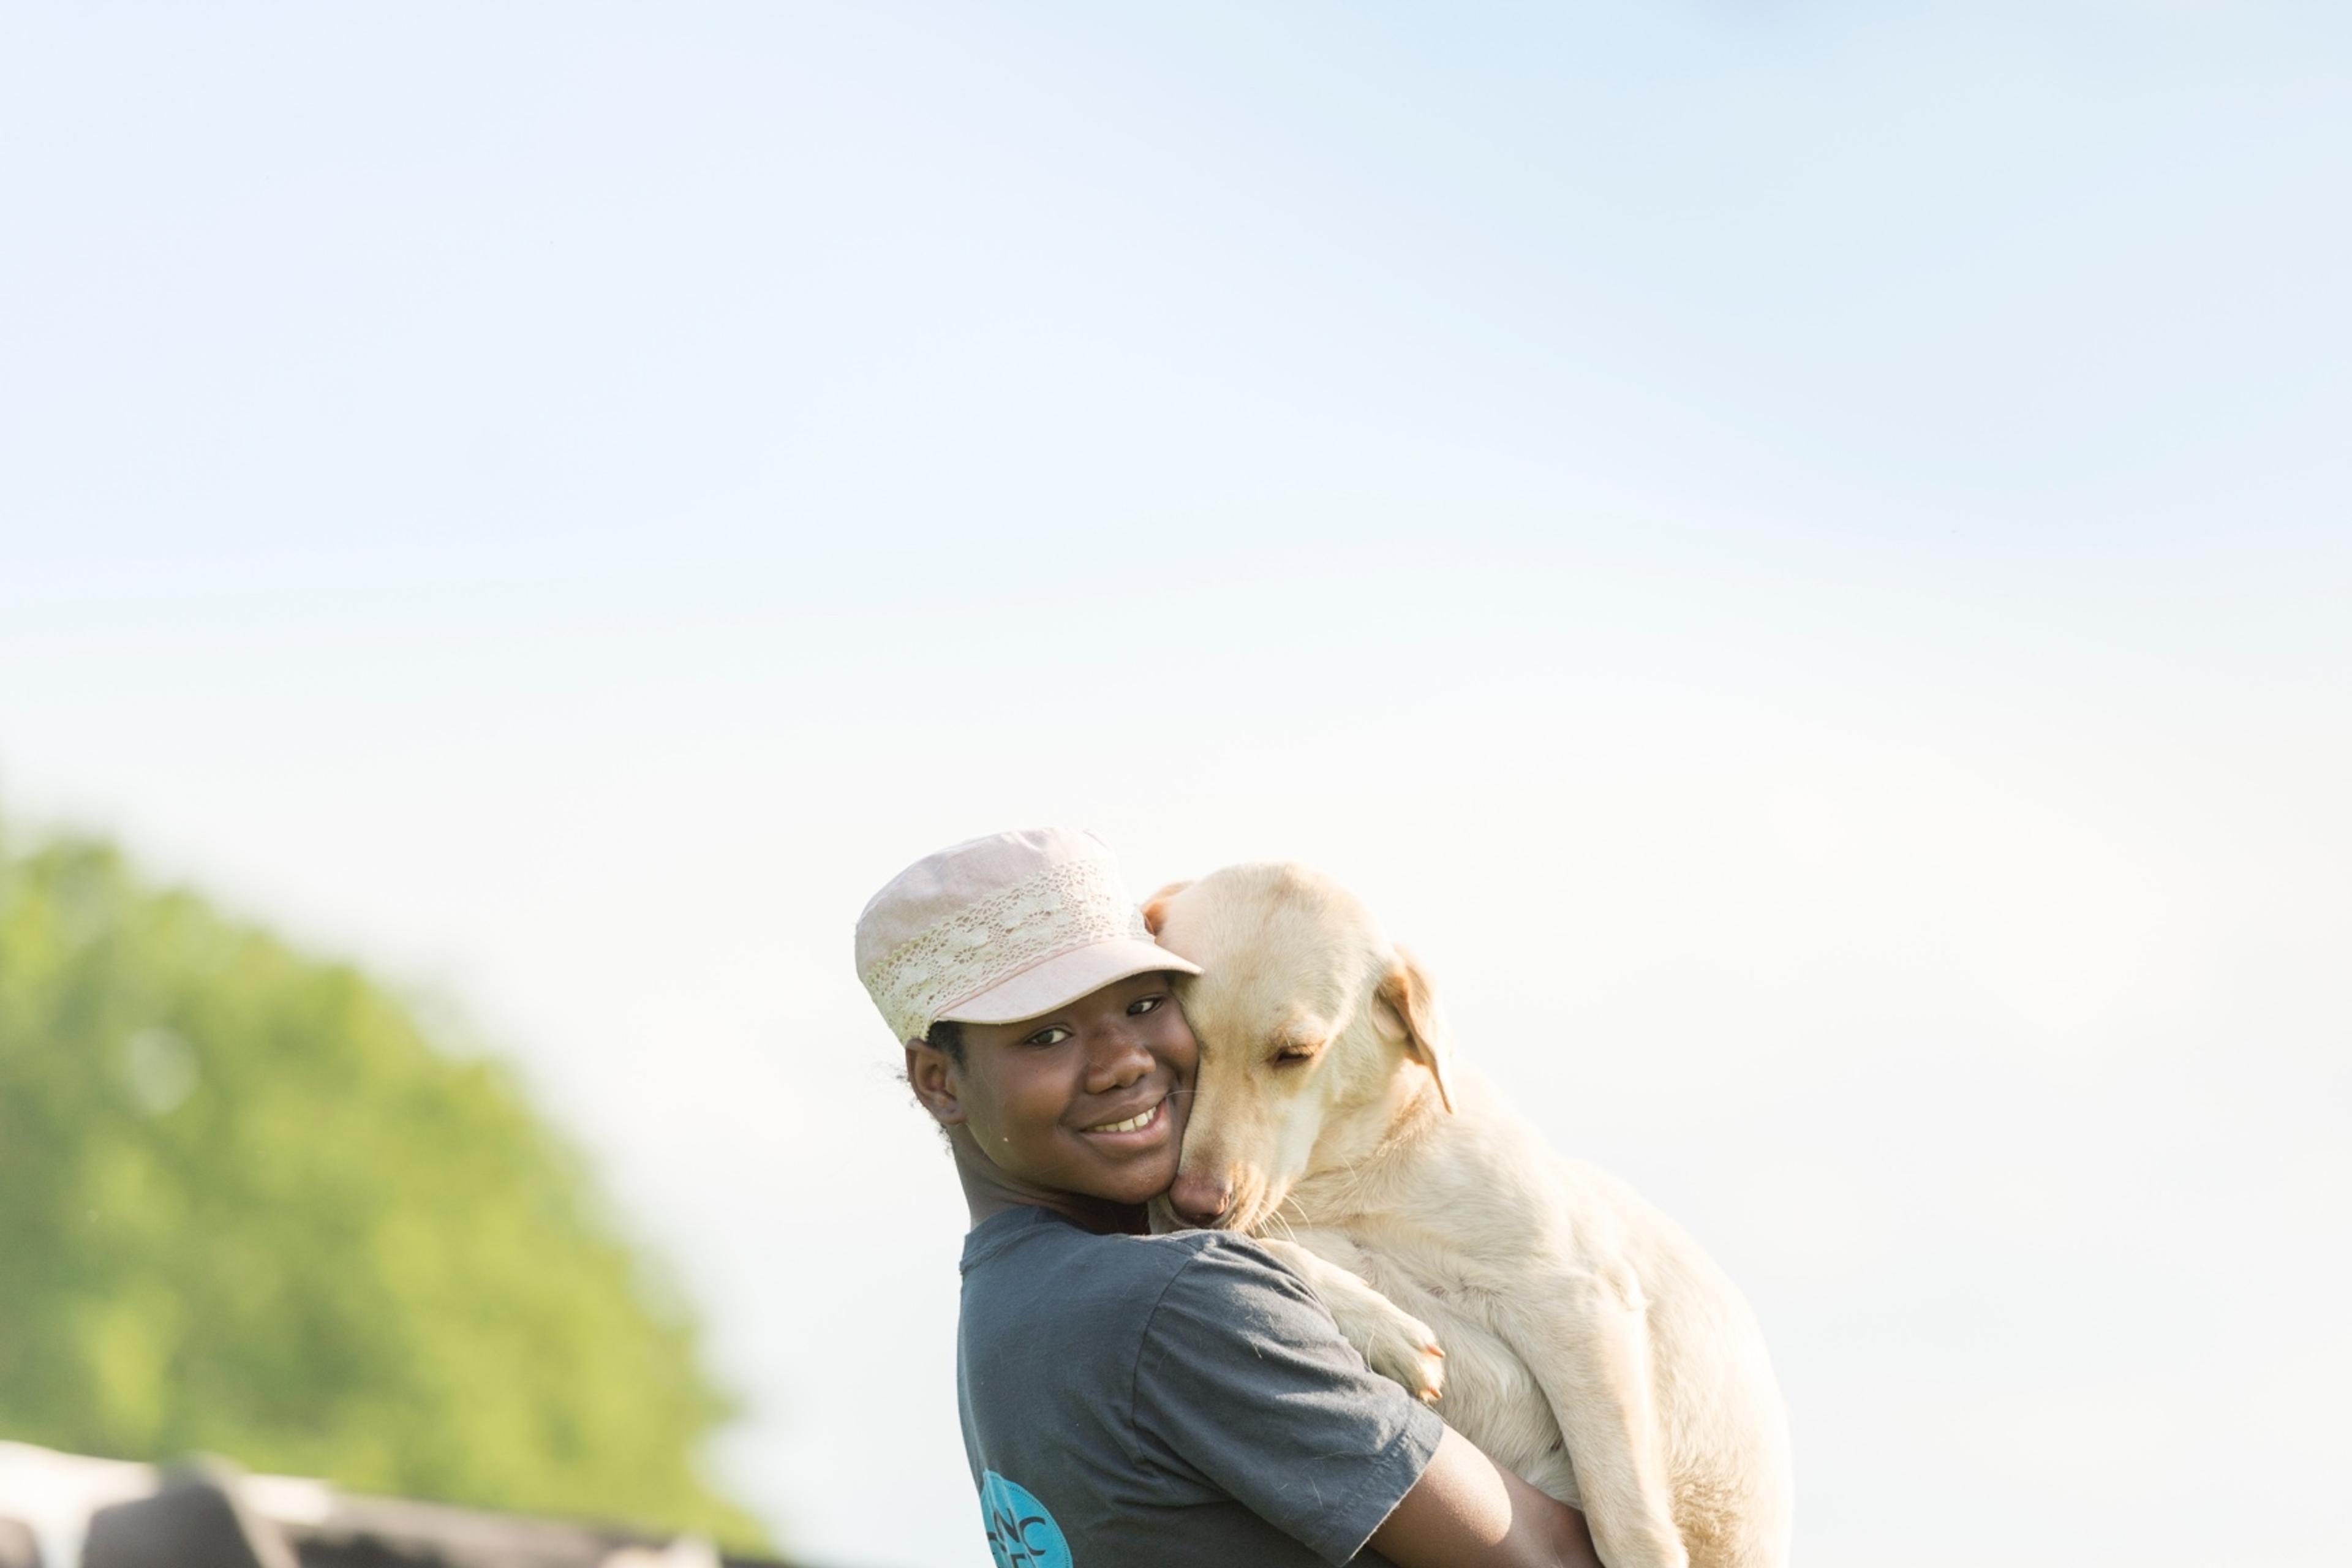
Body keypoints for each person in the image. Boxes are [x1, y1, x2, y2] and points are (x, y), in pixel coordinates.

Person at [856, 827, 1605, 1568]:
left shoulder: (1008, 1314)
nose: (1125, 1061)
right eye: (1047, 1036)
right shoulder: (1181, 1301)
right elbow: (1550, 1559)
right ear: (938, 1081)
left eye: (1147, 1002)